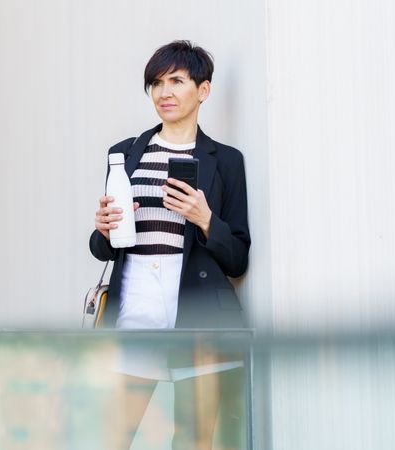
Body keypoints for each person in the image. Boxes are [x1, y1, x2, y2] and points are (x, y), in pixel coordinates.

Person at [89, 40, 251, 449]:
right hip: (137, 300)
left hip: (198, 310)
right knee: (112, 436)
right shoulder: (124, 154)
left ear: (203, 90)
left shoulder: (226, 161)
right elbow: (104, 247)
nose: (165, 93)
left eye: (177, 81)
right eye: (157, 83)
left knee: (194, 440)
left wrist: (205, 219)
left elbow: (238, 258)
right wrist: (104, 232)